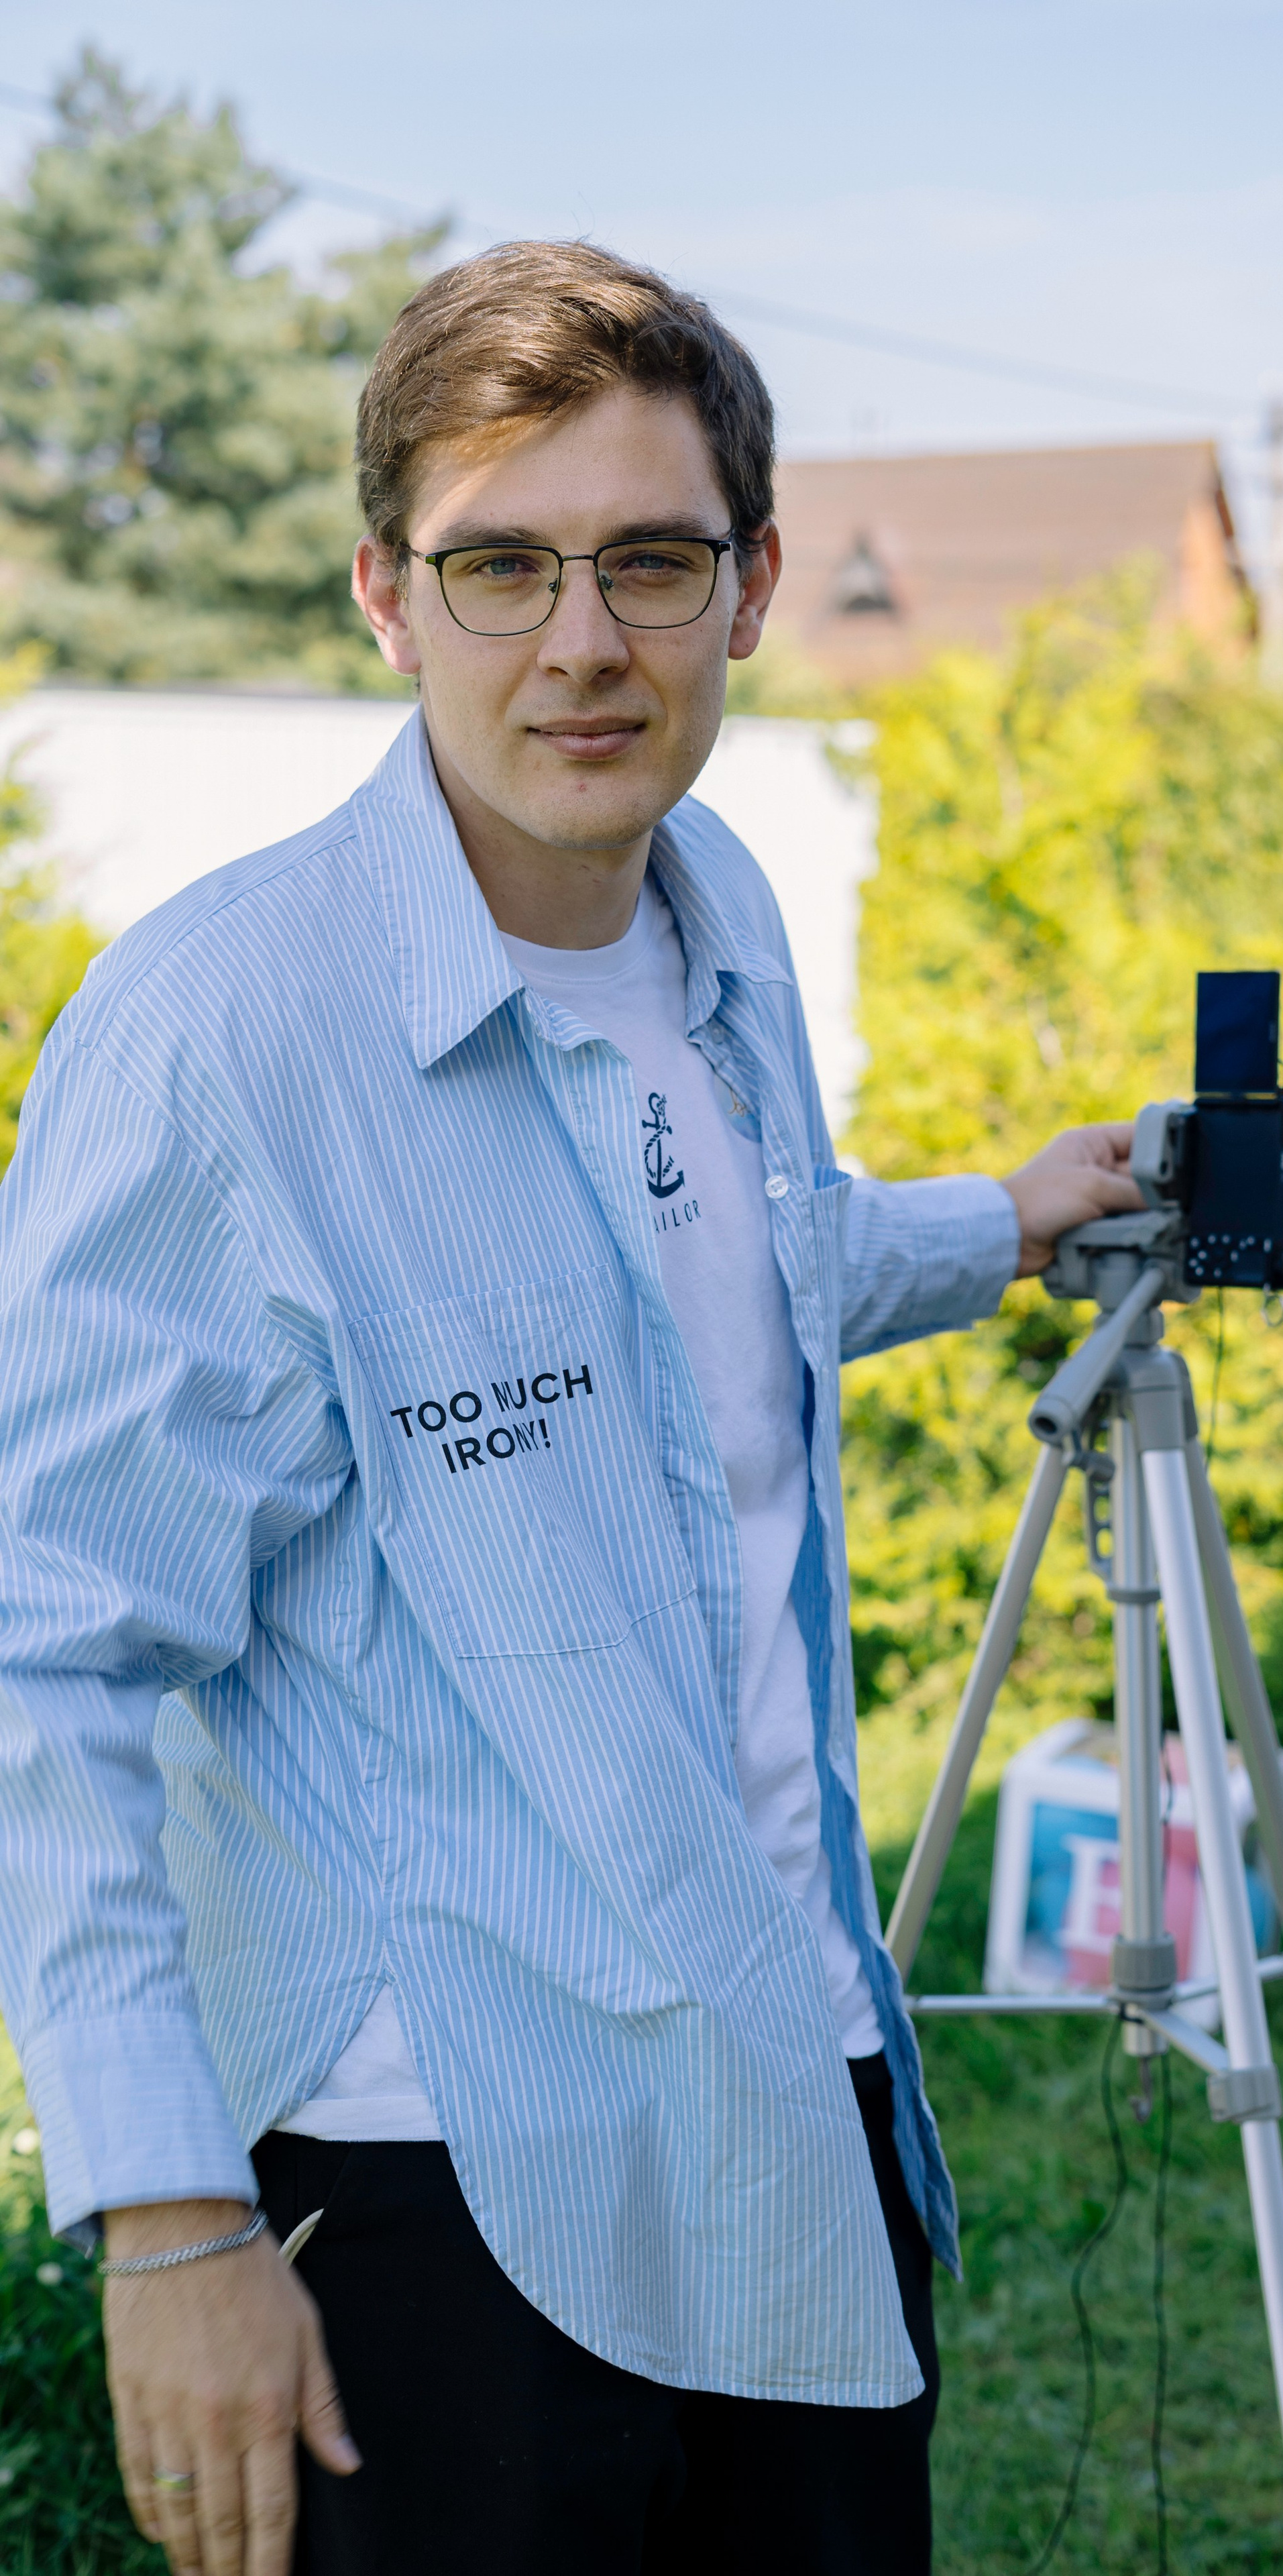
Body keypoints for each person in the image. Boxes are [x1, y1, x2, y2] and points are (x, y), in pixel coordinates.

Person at [0, 239, 1141, 2576]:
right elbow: (50, 1643)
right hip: (431, 2175)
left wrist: (1003, 1222)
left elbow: (731, 1264)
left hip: (785, 2081)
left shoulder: (710, 913)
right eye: (501, 566)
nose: (583, 642)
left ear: (755, 587)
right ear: (383, 597)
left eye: (649, 559)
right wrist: (166, 2217)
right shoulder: (224, 1032)